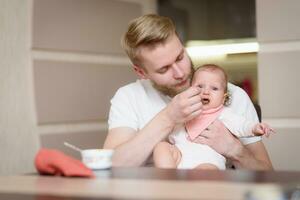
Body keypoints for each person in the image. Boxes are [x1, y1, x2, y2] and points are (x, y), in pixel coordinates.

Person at [103, 14, 273, 170]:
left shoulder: (232, 94)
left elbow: (268, 175)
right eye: (164, 69)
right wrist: (168, 118)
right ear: (141, 72)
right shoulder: (129, 97)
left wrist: (234, 150)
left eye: (180, 57)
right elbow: (112, 167)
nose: (180, 73)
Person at [153, 64, 274, 170]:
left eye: (214, 88)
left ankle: (187, 188)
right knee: (161, 148)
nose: (205, 91)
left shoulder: (224, 114)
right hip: (179, 154)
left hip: (207, 160)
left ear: (223, 97)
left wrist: (254, 128)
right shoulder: (185, 110)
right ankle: (169, 179)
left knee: (206, 172)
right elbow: (172, 130)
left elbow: (241, 125)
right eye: (200, 86)